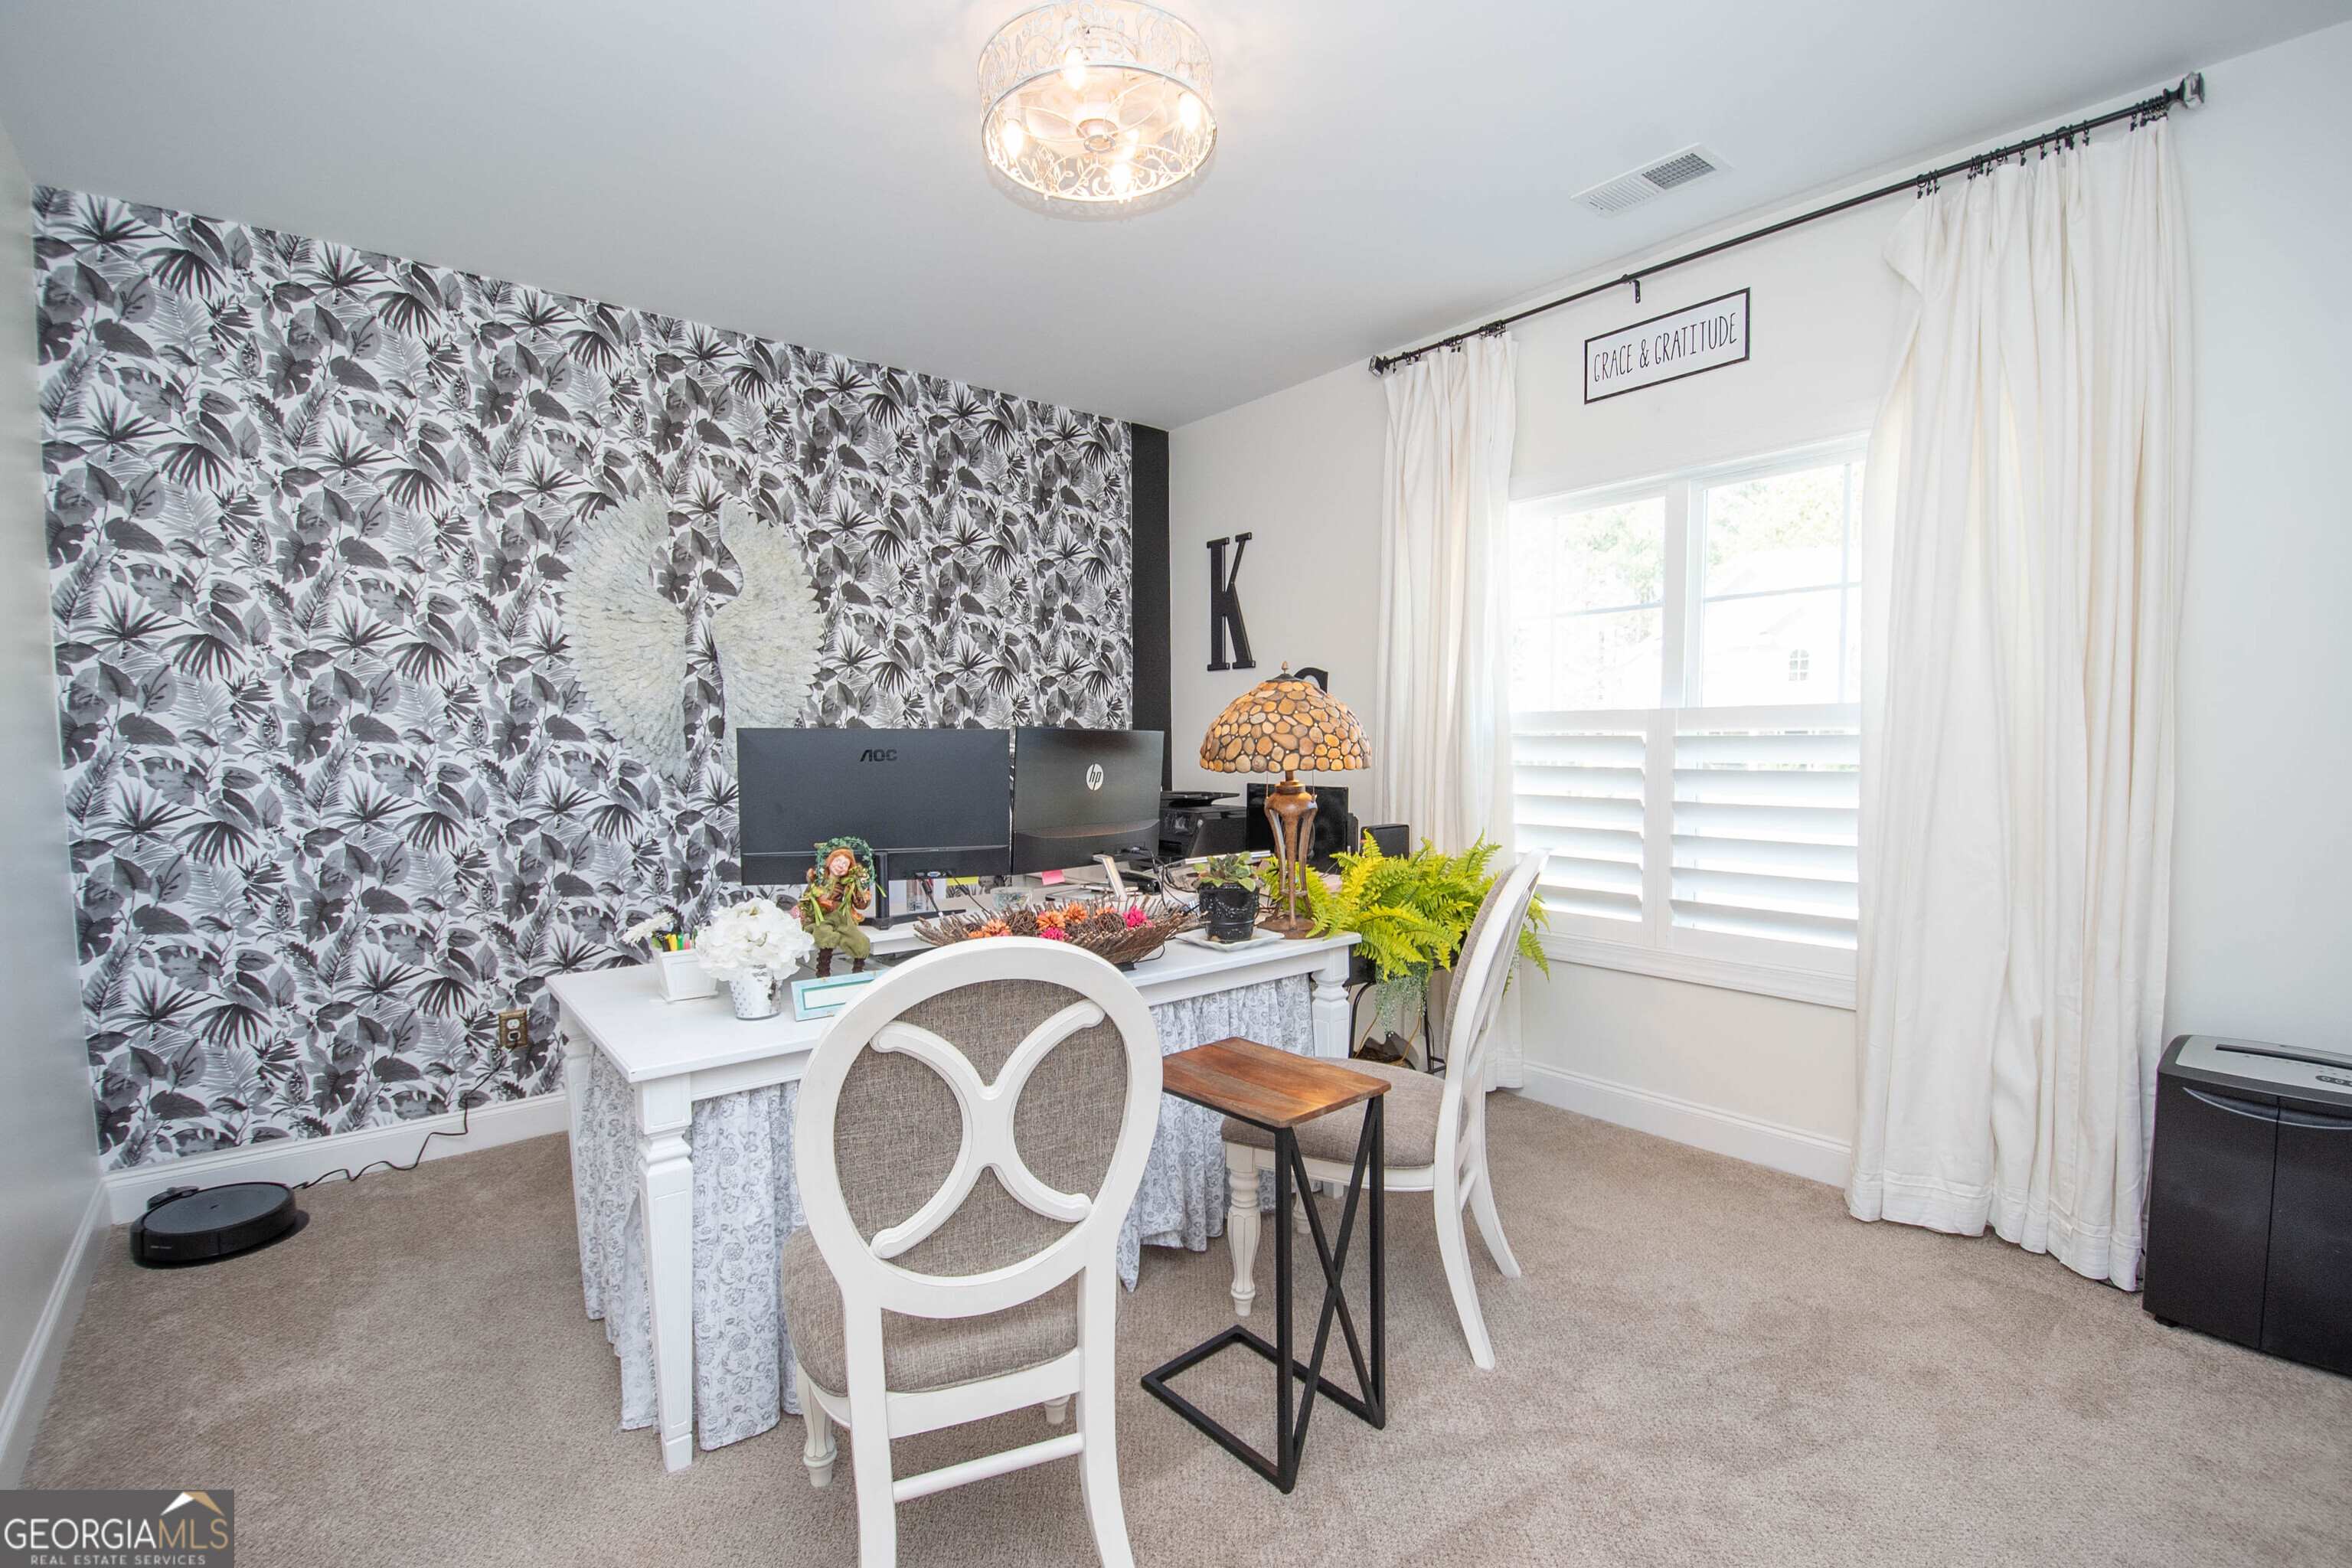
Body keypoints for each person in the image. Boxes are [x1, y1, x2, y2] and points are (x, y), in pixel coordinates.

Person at [798, 836, 875, 978]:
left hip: (842, 918)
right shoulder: (819, 881)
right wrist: (818, 899)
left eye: (845, 864)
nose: (840, 866)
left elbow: (860, 904)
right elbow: (806, 901)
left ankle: (858, 973)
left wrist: (863, 890)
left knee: (859, 940)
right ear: (829, 862)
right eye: (838, 861)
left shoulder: (848, 884)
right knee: (825, 933)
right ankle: (823, 972)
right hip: (823, 918)